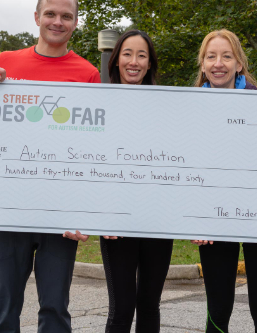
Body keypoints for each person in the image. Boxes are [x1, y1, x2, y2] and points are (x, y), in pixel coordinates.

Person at [0, 0, 99, 333]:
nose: (57, 21)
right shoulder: (6, 62)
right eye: (50, 14)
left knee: (55, 309)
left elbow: (95, 148)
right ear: (37, 18)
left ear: (75, 23)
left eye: (66, 16)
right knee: (1, 310)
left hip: (59, 212)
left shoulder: (88, 73)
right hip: (7, 208)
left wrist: (85, 209)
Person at [192, 29, 257, 333]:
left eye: (227, 56)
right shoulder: (188, 108)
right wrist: (192, 217)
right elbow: (182, 169)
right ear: (203, 65)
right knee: (218, 309)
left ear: (239, 64)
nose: (219, 63)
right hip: (214, 220)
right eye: (211, 56)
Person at [100, 30, 173, 333]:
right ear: (116, 60)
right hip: (117, 223)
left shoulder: (169, 107)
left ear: (150, 63)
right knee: (122, 308)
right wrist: (101, 212)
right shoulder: (99, 104)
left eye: (141, 55)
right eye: (127, 54)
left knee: (149, 304)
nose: (134, 61)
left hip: (158, 220)